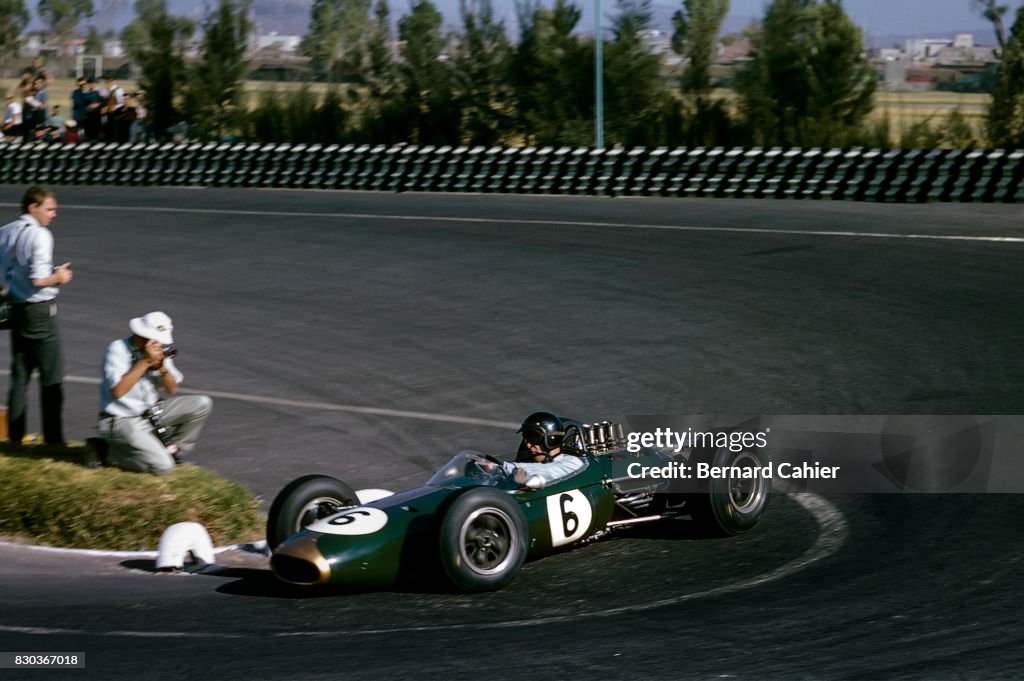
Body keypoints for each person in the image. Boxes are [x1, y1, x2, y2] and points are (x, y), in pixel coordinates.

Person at [0, 187, 73, 445]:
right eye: (50, 209)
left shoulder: (6, 231)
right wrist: (59, 277)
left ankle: (15, 437)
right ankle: (54, 441)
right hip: (41, 312)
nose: (53, 215)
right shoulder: (41, 235)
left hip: (16, 310)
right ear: (33, 207)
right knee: (51, 378)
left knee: (19, 377)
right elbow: (39, 279)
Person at [97, 311, 212, 475]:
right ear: (142, 335)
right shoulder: (117, 349)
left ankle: (173, 452)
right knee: (163, 468)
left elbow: (172, 389)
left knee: (202, 404)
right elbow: (118, 390)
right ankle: (107, 454)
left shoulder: (158, 350)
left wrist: (161, 367)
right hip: (121, 419)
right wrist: (145, 362)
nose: (158, 343)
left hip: (152, 412)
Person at [500, 412, 585, 487]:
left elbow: (548, 471)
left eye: (533, 438)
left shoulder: (572, 463)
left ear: (550, 439)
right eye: (526, 439)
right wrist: (497, 467)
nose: (528, 445)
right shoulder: (534, 462)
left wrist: (525, 476)